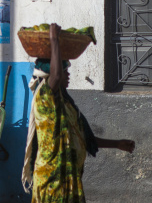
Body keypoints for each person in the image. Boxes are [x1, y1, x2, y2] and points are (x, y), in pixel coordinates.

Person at [22, 23, 135, 203]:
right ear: (49, 72)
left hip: (70, 180)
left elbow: (83, 137)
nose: (67, 75)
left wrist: (117, 144)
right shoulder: (45, 97)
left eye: (67, 69)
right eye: (63, 69)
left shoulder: (67, 104)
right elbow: (57, 76)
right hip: (52, 180)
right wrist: (54, 40)